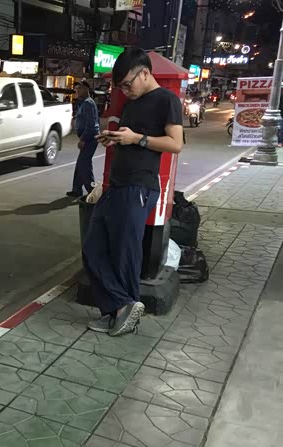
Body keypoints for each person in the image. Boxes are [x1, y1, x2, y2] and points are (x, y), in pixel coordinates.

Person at [83, 48, 184, 337]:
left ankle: (123, 308)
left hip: (139, 186)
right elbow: (131, 138)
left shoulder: (166, 100)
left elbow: (175, 144)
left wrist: (136, 138)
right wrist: (116, 139)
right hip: (117, 184)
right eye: (121, 87)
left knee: (125, 251)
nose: (125, 91)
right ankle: (120, 306)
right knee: (93, 247)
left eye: (128, 84)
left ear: (145, 73)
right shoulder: (132, 103)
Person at [67, 80, 100, 198]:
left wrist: (83, 139)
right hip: (87, 137)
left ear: (86, 89)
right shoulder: (83, 103)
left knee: (84, 165)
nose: (77, 91)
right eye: (76, 89)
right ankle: (76, 189)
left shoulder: (88, 103)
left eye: (79, 88)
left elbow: (91, 125)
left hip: (90, 138)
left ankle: (92, 191)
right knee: (81, 164)